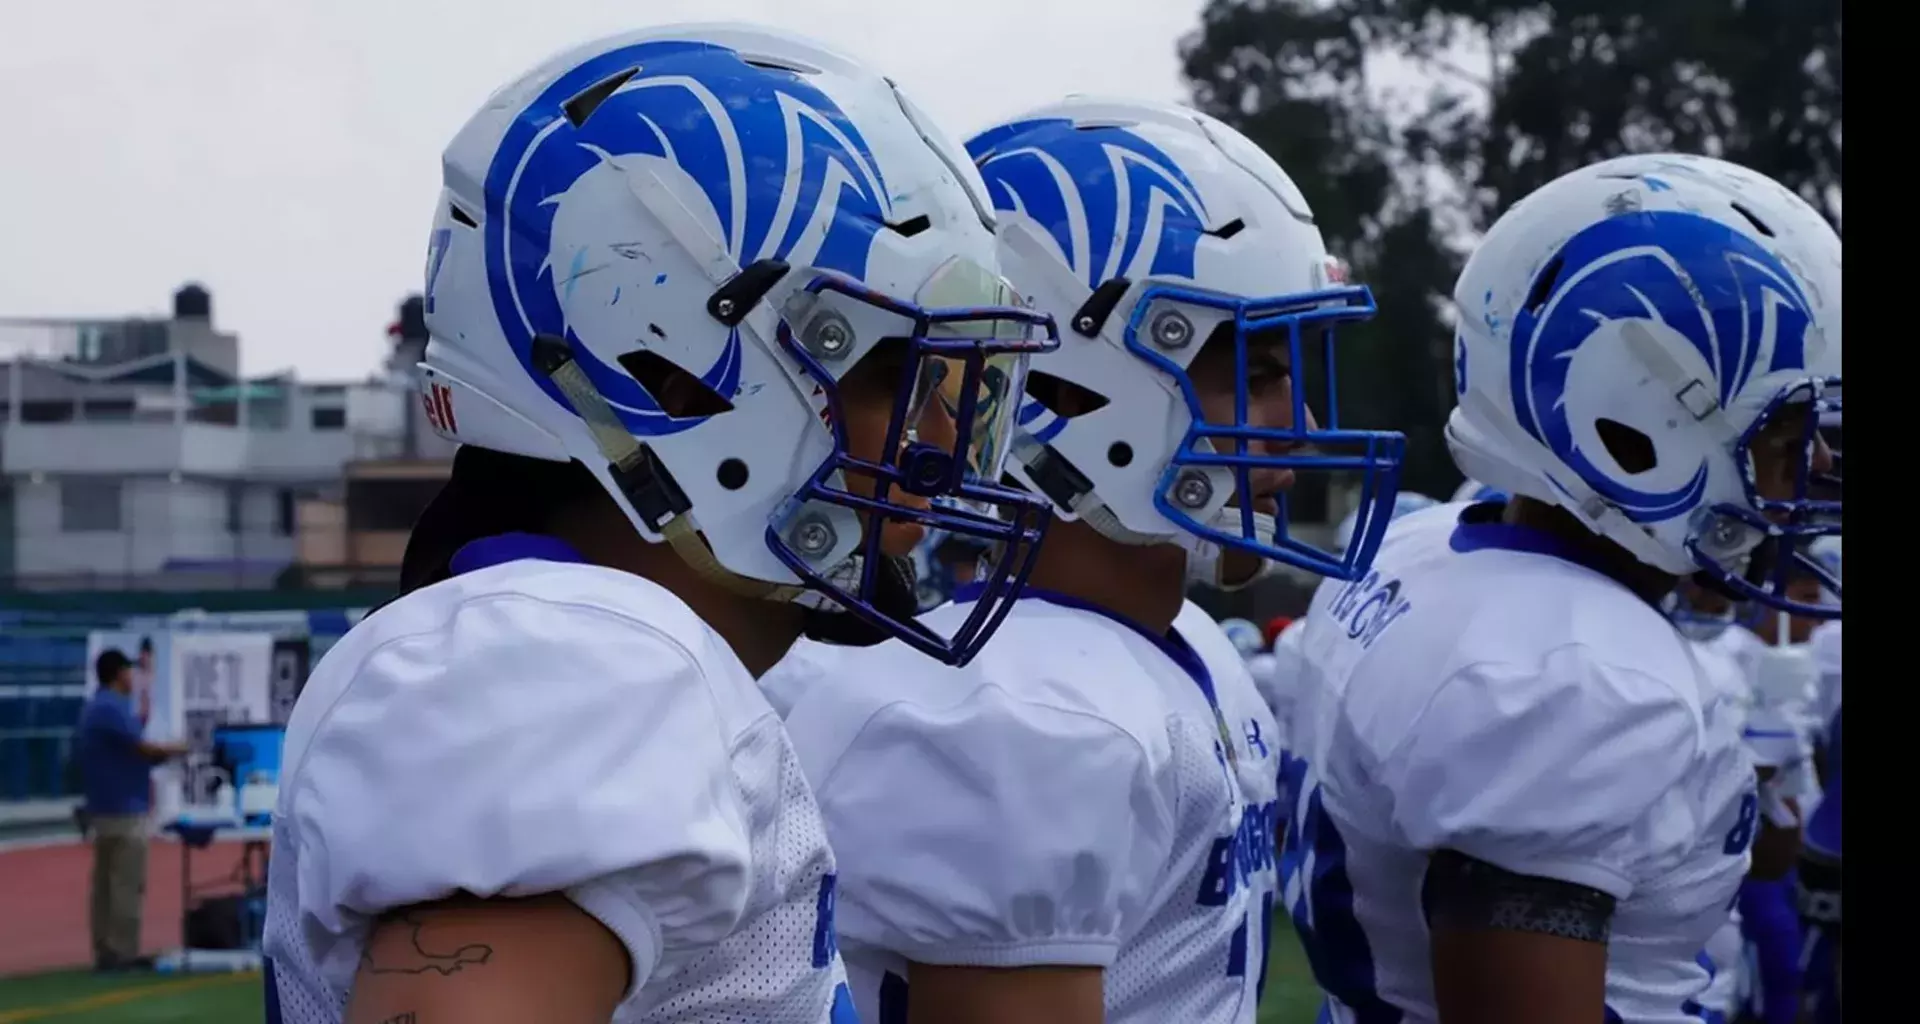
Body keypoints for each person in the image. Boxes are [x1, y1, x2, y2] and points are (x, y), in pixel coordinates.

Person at [260, 24, 1058, 1024]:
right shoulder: (574, 666)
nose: (943, 439)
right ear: (658, 359)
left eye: (950, 380)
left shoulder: (623, 661)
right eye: (889, 370)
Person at [766, 96, 1407, 1024]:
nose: (1302, 430)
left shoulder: (1178, 647)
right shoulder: (1025, 718)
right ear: (1073, 382)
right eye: (1259, 375)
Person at [1284, 152, 1840, 1023]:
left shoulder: (1417, 552)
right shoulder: (1578, 680)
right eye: (1789, 434)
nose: (1815, 472)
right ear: (1634, 429)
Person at [75, 648, 188, 971]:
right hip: (123, 808)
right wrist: (182, 748)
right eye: (129, 671)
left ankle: (107, 949)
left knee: (107, 885)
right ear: (118, 674)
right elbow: (144, 747)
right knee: (125, 882)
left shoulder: (98, 706)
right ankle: (121, 952)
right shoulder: (110, 707)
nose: (133, 677)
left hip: (106, 806)